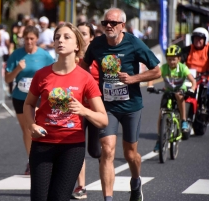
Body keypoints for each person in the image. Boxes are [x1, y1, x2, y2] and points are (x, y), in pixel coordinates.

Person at [79, 8, 161, 201]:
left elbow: (156, 71)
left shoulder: (134, 43)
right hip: (107, 106)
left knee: (130, 154)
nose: (108, 26)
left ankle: (135, 181)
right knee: (107, 149)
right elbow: (83, 67)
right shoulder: (97, 44)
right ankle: (108, 198)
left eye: (113, 23)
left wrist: (134, 79)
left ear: (122, 26)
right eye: (105, 22)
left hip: (131, 106)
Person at [23, 22, 108, 201]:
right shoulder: (42, 75)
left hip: (72, 147)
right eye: (57, 38)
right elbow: (29, 104)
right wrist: (31, 125)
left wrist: (84, 110)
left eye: (66, 37)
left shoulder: (86, 78)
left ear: (77, 45)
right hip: (42, 143)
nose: (60, 40)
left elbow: (103, 120)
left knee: (59, 198)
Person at [5, 26, 54, 175]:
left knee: (36, 127)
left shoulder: (44, 56)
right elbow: (8, 79)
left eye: (32, 38)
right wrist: (18, 69)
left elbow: (54, 74)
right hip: (20, 97)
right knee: (27, 130)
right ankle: (31, 159)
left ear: (37, 39)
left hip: (38, 98)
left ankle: (43, 158)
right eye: (26, 39)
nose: (29, 41)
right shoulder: (16, 55)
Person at [71, 22, 100, 200]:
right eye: (78, 33)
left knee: (96, 151)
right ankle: (81, 186)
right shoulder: (71, 57)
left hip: (96, 109)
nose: (81, 36)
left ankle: (107, 174)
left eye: (84, 33)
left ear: (91, 37)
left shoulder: (98, 58)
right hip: (77, 109)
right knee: (77, 147)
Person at [148, 45, 196, 152]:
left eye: (174, 59)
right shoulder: (164, 68)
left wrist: (192, 88)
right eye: (169, 59)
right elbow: (153, 76)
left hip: (180, 90)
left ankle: (183, 120)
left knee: (179, 96)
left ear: (179, 59)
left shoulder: (183, 68)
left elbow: (193, 81)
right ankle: (159, 139)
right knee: (161, 114)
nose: (171, 61)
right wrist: (150, 86)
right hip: (168, 91)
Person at [181, 27, 209, 124]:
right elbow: (180, 60)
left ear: (205, 40)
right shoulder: (188, 49)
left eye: (200, 38)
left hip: (205, 78)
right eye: (195, 38)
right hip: (190, 78)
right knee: (177, 91)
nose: (197, 40)